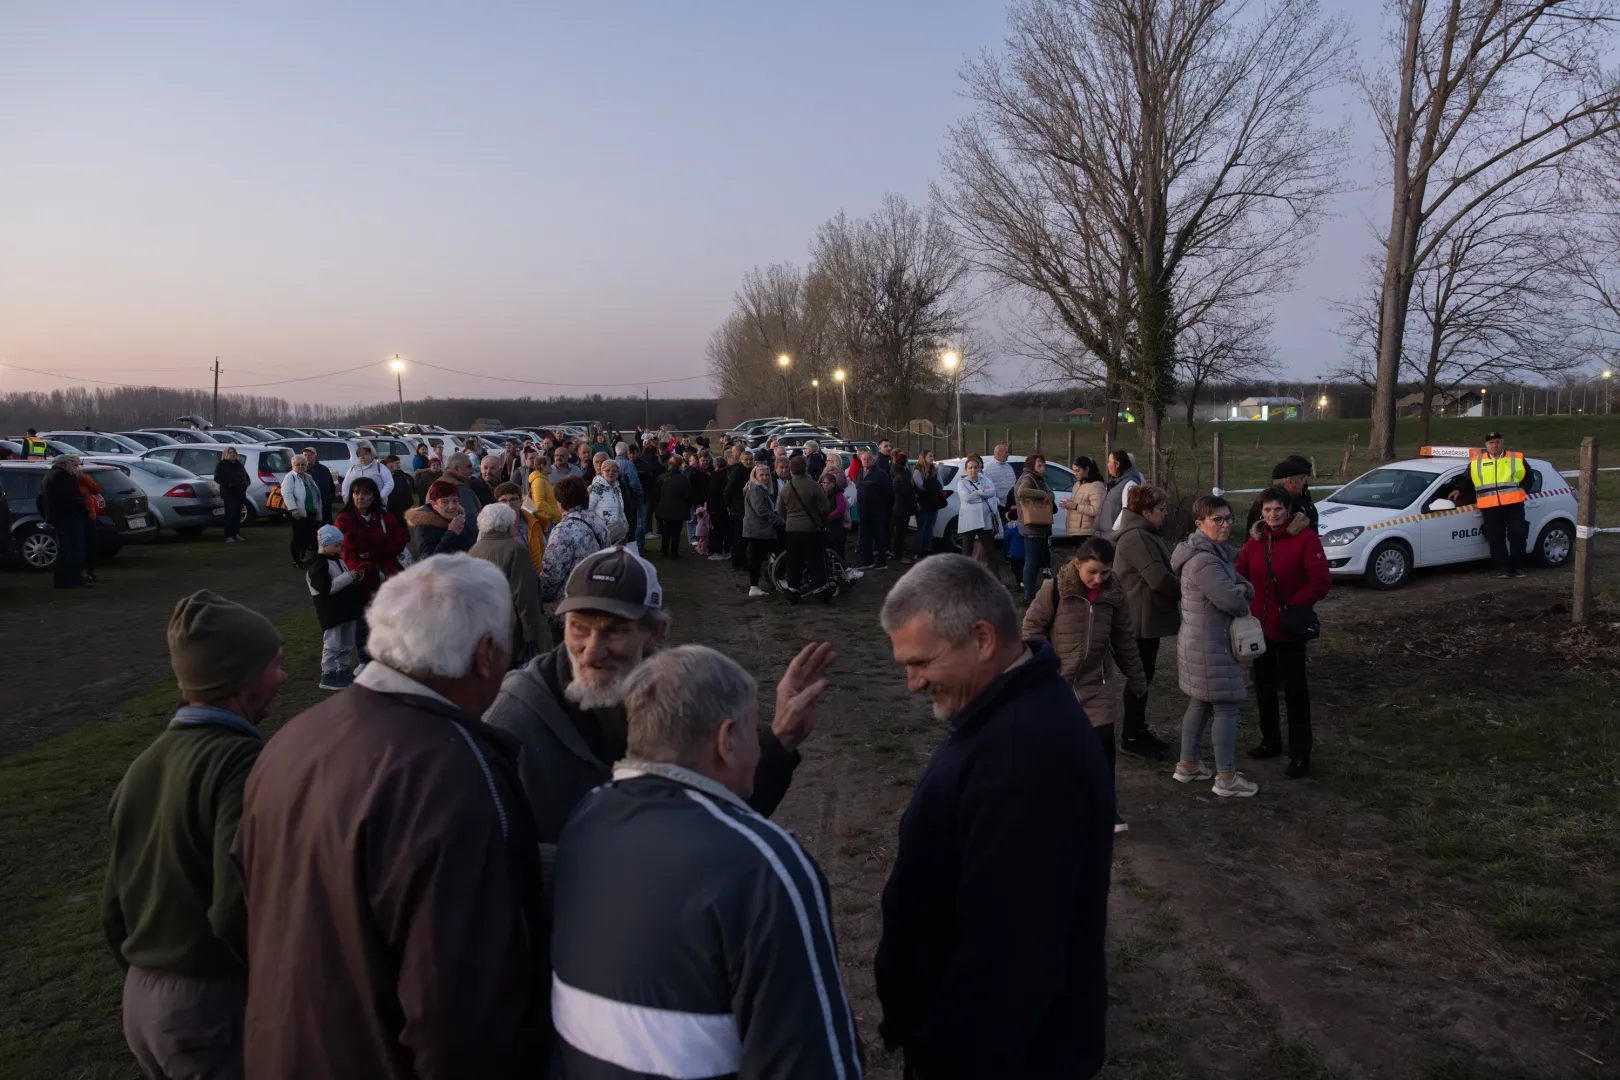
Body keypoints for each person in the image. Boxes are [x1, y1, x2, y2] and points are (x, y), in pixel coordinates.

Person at [234, 556, 550, 1078]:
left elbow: (246, 902)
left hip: (283, 1046)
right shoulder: (454, 774)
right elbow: (459, 1006)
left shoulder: (292, 739)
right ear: (487, 653)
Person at [549, 645, 862, 1078]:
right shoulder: (768, 869)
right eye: (754, 731)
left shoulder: (588, 818)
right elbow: (808, 1064)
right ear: (727, 740)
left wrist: (780, 739)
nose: (758, 744)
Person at [875, 555, 1114, 1079]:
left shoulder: (1020, 760)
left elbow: (1009, 955)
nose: (912, 684)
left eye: (921, 662)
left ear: (982, 640)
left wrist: (947, 1055)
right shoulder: (1007, 714)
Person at [484, 545, 832, 846]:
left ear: (655, 632)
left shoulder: (679, 697)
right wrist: (584, 869)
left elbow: (719, 814)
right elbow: (481, 851)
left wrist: (781, 739)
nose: (590, 652)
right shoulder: (515, 715)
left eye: (614, 632)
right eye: (579, 629)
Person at [103, 591, 284, 1080]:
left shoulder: (145, 765)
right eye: (275, 664)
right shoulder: (237, 762)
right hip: (209, 1003)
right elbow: (234, 904)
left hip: (142, 1001)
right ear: (239, 680)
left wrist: (152, 983)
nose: (284, 677)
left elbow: (113, 908)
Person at [1024, 536, 1147, 832]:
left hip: (1096, 682)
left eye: (1104, 573)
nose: (1098, 579)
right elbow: (1031, 629)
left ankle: (1105, 808)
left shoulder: (1114, 595)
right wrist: (1044, 664)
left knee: (1103, 746)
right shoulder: (1053, 590)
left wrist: (1137, 676)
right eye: (1092, 572)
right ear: (1077, 564)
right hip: (1057, 684)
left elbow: (1124, 640)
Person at [1236, 485, 1330, 778]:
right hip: (1259, 629)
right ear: (1261, 512)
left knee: (1295, 693)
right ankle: (1270, 740)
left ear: (1289, 511)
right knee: (1264, 688)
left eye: (1278, 509)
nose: (1273, 515)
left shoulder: (1305, 539)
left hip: (1289, 629)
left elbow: (1320, 581)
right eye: (1267, 510)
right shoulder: (1256, 541)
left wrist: (1291, 607)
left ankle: (1301, 753)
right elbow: (1241, 572)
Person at [1171, 495, 1259, 797]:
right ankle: (1226, 778)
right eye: (1217, 520)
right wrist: (1243, 591)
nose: (1225, 524)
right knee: (1226, 705)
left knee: (1201, 702)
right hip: (1211, 644)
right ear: (1199, 523)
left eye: (1228, 518)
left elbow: (1240, 583)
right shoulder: (1205, 561)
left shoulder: (1214, 553)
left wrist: (1242, 587)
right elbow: (1232, 599)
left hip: (1201, 641)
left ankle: (1188, 765)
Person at [1112, 485, 1178, 760]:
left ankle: (1137, 730)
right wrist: (1189, 589)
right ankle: (1131, 736)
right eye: (1161, 510)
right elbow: (1159, 578)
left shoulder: (1143, 534)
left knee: (1143, 677)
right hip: (1138, 621)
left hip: (1144, 618)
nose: (1164, 515)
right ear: (1145, 511)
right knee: (1139, 679)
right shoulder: (1136, 537)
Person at [471, 503, 548, 666]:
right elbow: (525, 596)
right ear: (508, 524)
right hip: (510, 631)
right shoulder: (515, 551)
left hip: (483, 630)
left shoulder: (474, 550)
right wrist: (530, 634)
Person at [1457, 432, 1534, 578]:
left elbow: (1529, 477)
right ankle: (1503, 568)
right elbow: (1466, 479)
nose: (1494, 445)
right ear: (1486, 446)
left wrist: (1523, 490)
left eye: (1497, 442)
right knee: (1494, 537)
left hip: (1514, 504)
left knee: (1518, 534)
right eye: (1491, 443)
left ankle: (1518, 566)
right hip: (1489, 506)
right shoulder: (1476, 461)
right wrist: (1458, 489)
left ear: (1502, 443)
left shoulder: (1516, 458)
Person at [334, 476, 408, 616]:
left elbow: (400, 540)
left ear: (374, 496)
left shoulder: (384, 516)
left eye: (366, 493)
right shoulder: (344, 518)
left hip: (387, 574)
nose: (360, 497)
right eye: (356, 493)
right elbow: (353, 544)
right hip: (359, 577)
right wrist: (384, 540)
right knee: (365, 619)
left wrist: (373, 550)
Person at [307, 524, 366, 690]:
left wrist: (355, 579)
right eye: (336, 545)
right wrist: (348, 576)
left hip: (347, 609)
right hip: (331, 612)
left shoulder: (339, 560)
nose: (340, 548)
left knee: (347, 643)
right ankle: (328, 675)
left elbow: (342, 583)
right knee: (332, 644)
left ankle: (343, 671)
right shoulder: (318, 565)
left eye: (341, 545)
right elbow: (327, 588)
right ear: (324, 544)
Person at [540, 475, 610, 608]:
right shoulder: (597, 520)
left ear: (561, 503)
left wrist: (541, 596)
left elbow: (552, 574)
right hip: (596, 597)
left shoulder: (563, 529)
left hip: (570, 606)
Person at [777, 453, 831, 602]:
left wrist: (790, 519)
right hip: (811, 529)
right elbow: (825, 507)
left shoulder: (786, 488)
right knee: (816, 561)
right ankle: (820, 590)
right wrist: (819, 519)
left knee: (794, 562)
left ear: (791, 471)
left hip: (792, 530)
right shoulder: (814, 485)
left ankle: (793, 591)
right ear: (805, 469)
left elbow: (780, 510)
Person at [41, 453, 89, 588]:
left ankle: (64, 580)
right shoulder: (62, 477)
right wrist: (80, 509)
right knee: (72, 550)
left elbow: (41, 499)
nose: (72, 467)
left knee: (64, 550)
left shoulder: (49, 476)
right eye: (70, 464)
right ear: (64, 464)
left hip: (60, 518)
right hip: (69, 518)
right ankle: (71, 580)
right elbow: (71, 498)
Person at [1014, 453, 1056, 602]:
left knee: (1035, 561)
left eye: (1044, 465)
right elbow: (1022, 492)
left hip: (1039, 527)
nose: (1043, 468)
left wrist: (1046, 495)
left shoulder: (1039, 479)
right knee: (1031, 562)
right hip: (1032, 527)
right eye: (1039, 465)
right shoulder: (1028, 478)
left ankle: (1030, 593)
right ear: (1032, 466)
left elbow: (1051, 494)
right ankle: (1028, 596)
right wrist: (1043, 494)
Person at [1246, 454, 1320, 533]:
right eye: (1302, 478)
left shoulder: (1301, 500)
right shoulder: (1265, 503)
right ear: (1291, 482)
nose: (1305, 482)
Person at [951, 453, 1000, 568]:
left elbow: (992, 492)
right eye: (970, 467)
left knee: (990, 553)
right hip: (969, 522)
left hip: (985, 522)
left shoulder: (985, 479)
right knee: (967, 553)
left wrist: (977, 492)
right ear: (966, 470)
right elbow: (967, 498)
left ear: (979, 468)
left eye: (975, 467)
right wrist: (983, 495)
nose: (973, 470)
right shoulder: (962, 482)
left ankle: (995, 579)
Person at [406, 479, 474, 558]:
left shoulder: (458, 517)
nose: (451, 507)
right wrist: (451, 533)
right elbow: (428, 560)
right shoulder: (424, 528)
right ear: (434, 504)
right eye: (445, 502)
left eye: (455, 501)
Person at [742, 463, 778, 597]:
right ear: (755, 476)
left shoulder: (759, 488)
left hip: (758, 529)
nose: (764, 477)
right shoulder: (756, 489)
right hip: (758, 530)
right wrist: (777, 519)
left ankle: (760, 583)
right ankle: (755, 586)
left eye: (767, 475)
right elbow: (761, 511)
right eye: (761, 475)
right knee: (757, 558)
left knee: (758, 557)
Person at [495, 481, 545, 574]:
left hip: (532, 577)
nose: (509, 504)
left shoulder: (533, 523)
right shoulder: (491, 527)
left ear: (521, 501)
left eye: (513, 499)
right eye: (504, 500)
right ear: (497, 504)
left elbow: (544, 551)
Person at [855, 448, 893, 570]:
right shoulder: (859, 473)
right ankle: (868, 561)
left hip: (877, 512)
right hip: (863, 512)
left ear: (873, 460)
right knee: (865, 537)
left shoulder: (881, 474)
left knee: (879, 537)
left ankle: (882, 563)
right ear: (861, 461)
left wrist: (882, 507)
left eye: (868, 459)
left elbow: (888, 493)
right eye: (864, 459)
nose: (866, 461)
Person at [281, 455, 322, 568]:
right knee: (298, 537)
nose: (300, 467)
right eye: (297, 464)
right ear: (293, 466)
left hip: (310, 511)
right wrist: (293, 509)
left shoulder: (308, 477)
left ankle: (306, 557)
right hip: (297, 512)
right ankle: (297, 559)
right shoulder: (290, 477)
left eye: (303, 464)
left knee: (310, 535)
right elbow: (287, 494)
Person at [981, 444, 1018, 570]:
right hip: (996, 505)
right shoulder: (989, 468)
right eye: (1006, 452)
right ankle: (991, 556)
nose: (1008, 454)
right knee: (995, 530)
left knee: (1010, 530)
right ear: (998, 453)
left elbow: (1013, 485)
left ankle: (1008, 553)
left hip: (1010, 505)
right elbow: (987, 487)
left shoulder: (1009, 467)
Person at [1096, 450, 1143, 540]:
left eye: (1109, 462)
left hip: (1113, 537)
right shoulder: (1114, 482)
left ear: (1117, 464)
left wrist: (1115, 530)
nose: (1107, 465)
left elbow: (1127, 510)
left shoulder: (1130, 483)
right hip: (1104, 535)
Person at [654, 453, 693, 558]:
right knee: (676, 532)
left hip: (665, 509)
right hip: (679, 510)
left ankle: (664, 550)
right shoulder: (683, 479)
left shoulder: (661, 478)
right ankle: (674, 552)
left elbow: (656, 495)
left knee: (666, 530)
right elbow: (688, 496)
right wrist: (687, 507)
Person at [440, 453, 484, 544]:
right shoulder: (458, 488)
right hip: (462, 543)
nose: (472, 471)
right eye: (469, 467)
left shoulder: (438, 484)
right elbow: (470, 517)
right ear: (456, 469)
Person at [1061, 456, 1106, 540]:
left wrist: (1075, 506)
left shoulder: (1096, 485)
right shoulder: (1077, 485)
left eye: (1078, 470)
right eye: (1074, 470)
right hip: (1075, 531)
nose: (1075, 473)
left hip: (1087, 533)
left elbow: (1097, 510)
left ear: (1087, 469)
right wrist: (1068, 504)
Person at [588, 458, 630, 544]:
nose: (611, 473)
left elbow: (621, 510)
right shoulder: (595, 488)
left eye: (614, 471)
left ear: (618, 473)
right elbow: (588, 511)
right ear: (602, 472)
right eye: (607, 470)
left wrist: (625, 528)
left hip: (616, 534)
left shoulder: (617, 489)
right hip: (600, 535)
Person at [913, 450, 946, 559]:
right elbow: (921, 486)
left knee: (930, 527)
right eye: (930, 456)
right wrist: (934, 485)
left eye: (933, 456)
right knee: (922, 527)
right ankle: (918, 551)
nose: (932, 458)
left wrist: (932, 485)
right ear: (923, 457)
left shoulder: (935, 469)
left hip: (934, 502)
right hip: (922, 504)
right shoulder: (917, 470)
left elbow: (941, 484)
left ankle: (928, 549)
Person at [214, 446, 251, 544]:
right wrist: (229, 484)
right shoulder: (221, 465)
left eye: (234, 452)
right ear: (225, 454)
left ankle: (236, 533)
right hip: (229, 493)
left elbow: (245, 476)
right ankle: (228, 535)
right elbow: (217, 478)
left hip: (240, 492)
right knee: (230, 513)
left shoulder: (239, 465)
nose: (232, 454)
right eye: (230, 452)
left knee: (237, 514)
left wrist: (246, 483)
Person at [725, 449, 754, 572]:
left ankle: (740, 561)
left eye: (750, 459)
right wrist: (729, 505)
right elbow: (728, 490)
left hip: (744, 508)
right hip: (738, 509)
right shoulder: (737, 472)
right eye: (746, 459)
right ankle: (739, 562)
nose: (748, 462)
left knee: (742, 537)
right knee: (739, 537)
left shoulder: (748, 471)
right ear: (741, 460)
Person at [78, 464, 107, 581]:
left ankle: (90, 571)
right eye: (74, 464)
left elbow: (96, 489)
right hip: (78, 516)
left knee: (90, 545)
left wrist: (83, 478)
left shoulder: (84, 477)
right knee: (79, 546)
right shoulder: (68, 480)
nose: (77, 467)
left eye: (78, 465)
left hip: (90, 516)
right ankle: (79, 572)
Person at [705, 447, 734, 561]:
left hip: (717, 508)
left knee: (718, 530)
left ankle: (718, 551)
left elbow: (712, 494)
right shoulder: (728, 474)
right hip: (726, 507)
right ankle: (727, 550)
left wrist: (710, 508)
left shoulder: (717, 477)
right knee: (726, 530)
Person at [891, 450, 919, 564]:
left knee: (898, 533)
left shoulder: (894, 472)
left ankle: (897, 553)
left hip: (897, 507)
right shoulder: (903, 475)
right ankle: (898, 556)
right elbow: (908, 494)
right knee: (900, 533)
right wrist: (914, 506)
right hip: (902, 508)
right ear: (905, 462)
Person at [821, 469, 851, 565]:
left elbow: (841, 509)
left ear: (833, 483)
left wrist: (829, 517)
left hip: (836, 526)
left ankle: (842, 568)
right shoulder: (821, 494)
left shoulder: (838, 494)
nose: (826, 485)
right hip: (825, 527)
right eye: (824, 483)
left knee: (837, 550)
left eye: (829, 483)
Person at [300, 448, 337, 524]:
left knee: (327, 526)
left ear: (315, 455)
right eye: (305, 455)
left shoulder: (324, 469)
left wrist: (329, 500)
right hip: (309, 506)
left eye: (310, 455)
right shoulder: (300, 470)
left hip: (324, 505)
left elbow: (331, 486)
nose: (307, 457)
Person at [381, 455, 414, 520]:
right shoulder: (383, 479)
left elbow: (405, 489)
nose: (393, 469)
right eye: (390, 468)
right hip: (390, 506)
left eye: (393, 467)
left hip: (401, 505)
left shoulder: (398, 475)